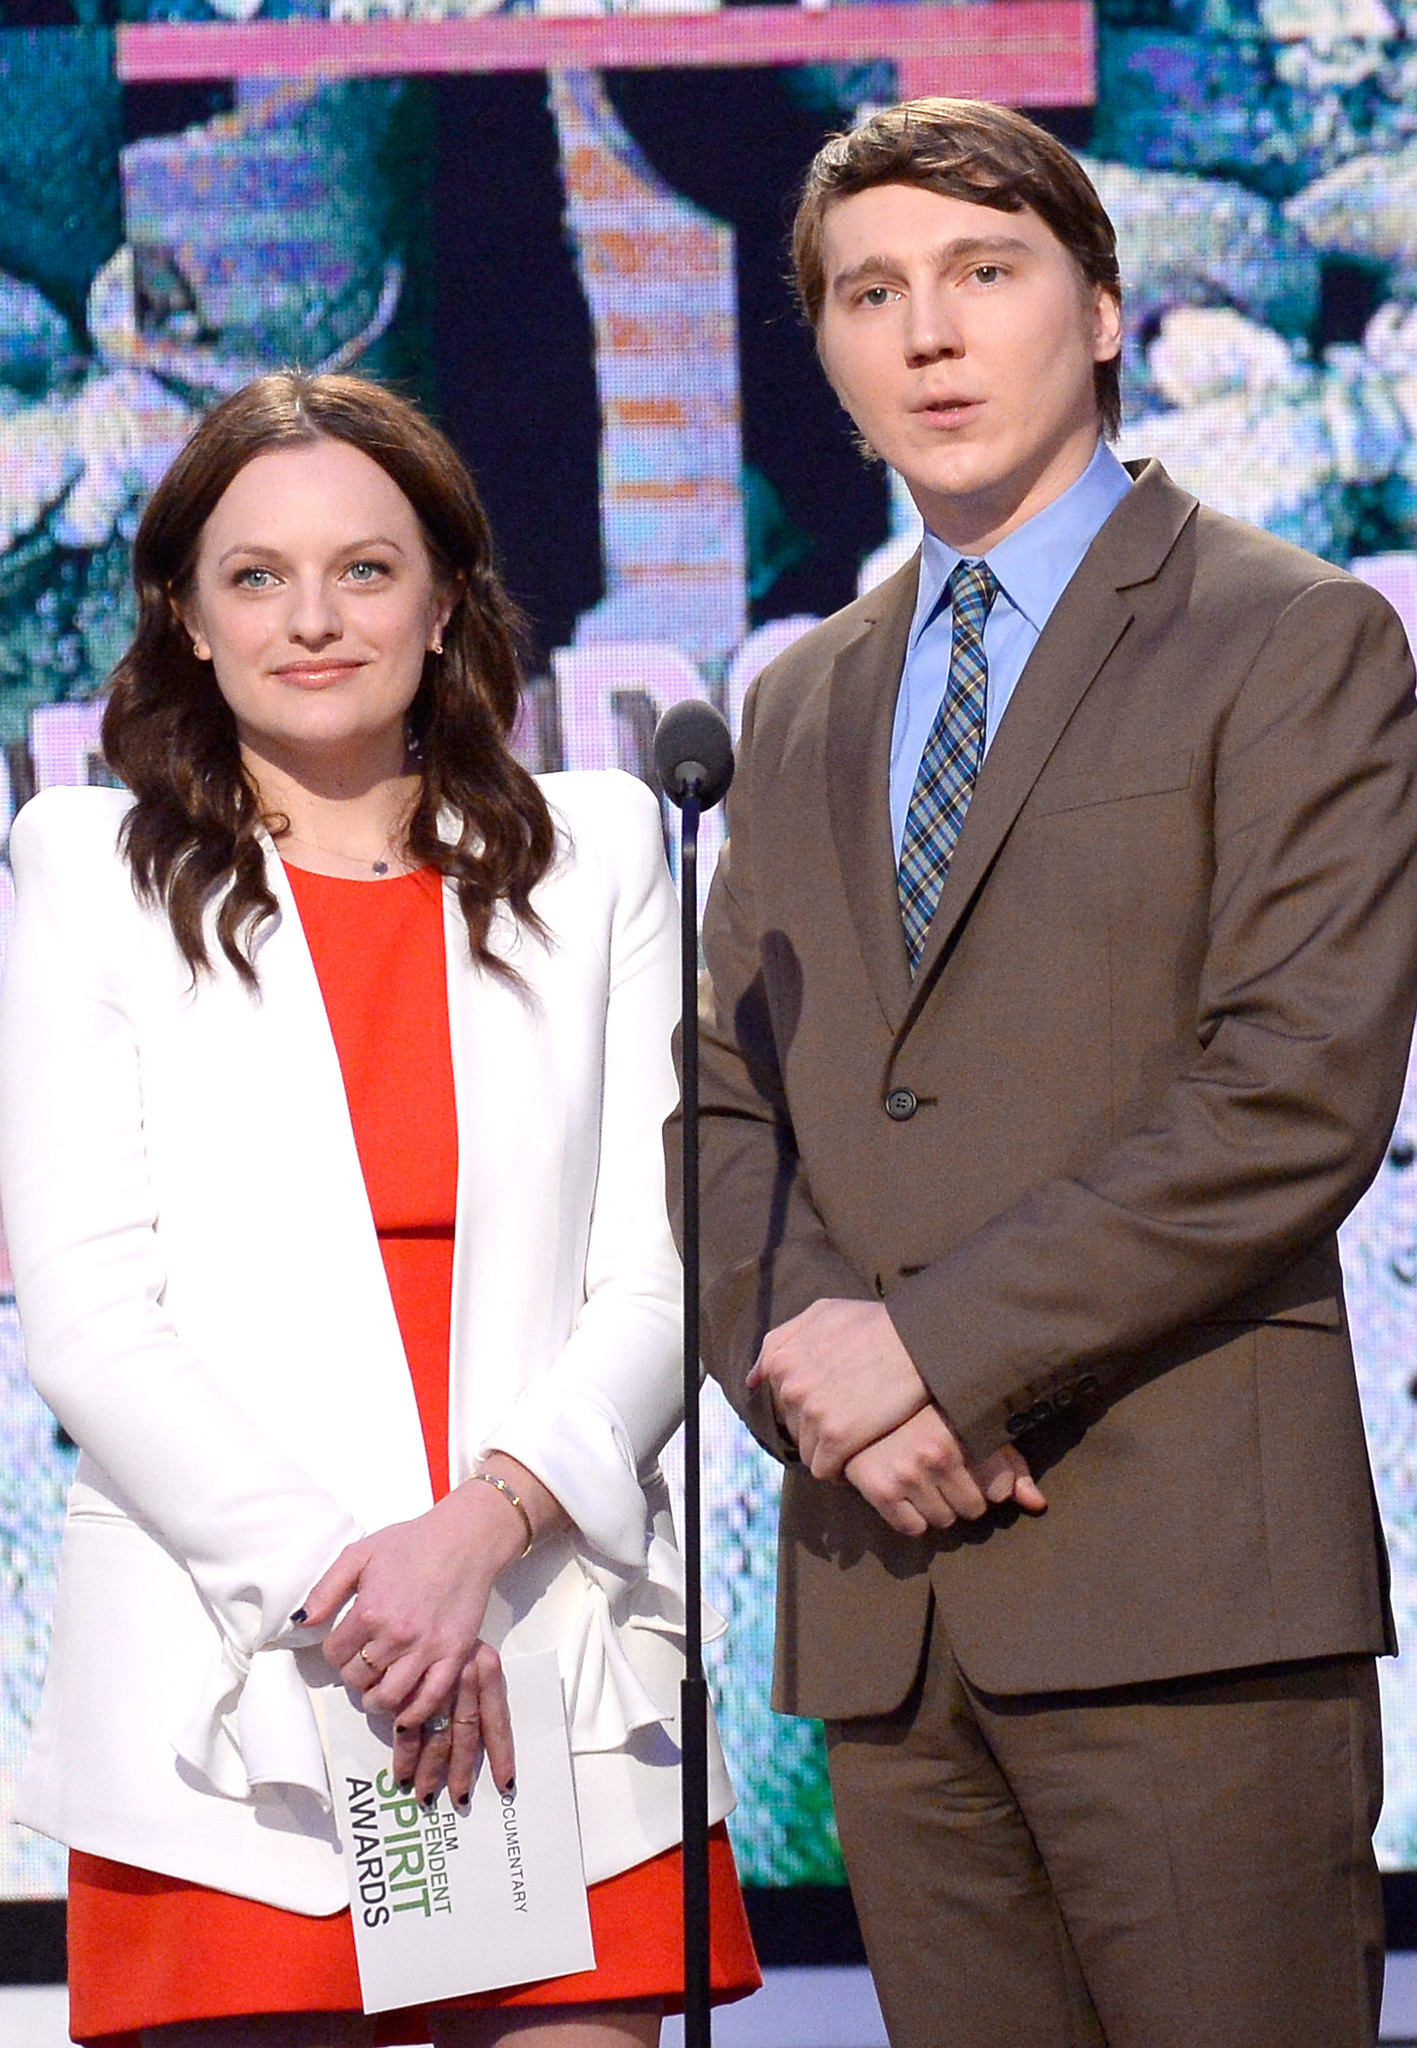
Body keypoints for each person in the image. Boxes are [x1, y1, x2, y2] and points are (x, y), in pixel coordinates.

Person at [687, 97, 1417, 2048]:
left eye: (980, 274)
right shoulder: (800, 697)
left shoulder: (1292, 637)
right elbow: (723, 1115)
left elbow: (1293, 1089)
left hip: (1177, 1588)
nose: (924, 333)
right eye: (868, 293)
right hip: (886, 1609)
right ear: (829, 359)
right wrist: (832, 1388)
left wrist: (932, 1347)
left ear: (1099, 308)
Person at [0, 372, 759, 2048]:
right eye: (255, 576)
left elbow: (667, 1270)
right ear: (186, 619)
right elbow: (88, 1316)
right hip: (239, 1673)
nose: (312, 618)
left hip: (547, 1646)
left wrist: (476, 1535)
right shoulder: (82, 872)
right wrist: (369, 1600)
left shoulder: (606, 847)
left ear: (447, 598)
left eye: (364, 567)